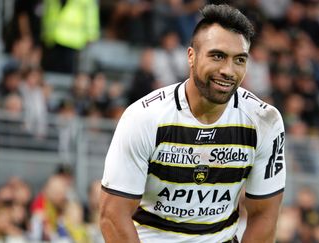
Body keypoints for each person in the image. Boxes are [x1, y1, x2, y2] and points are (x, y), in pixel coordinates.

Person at [100, 4, 286, 243]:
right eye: (217, 56)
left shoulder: (265, 121)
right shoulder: (144, 117)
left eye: (239, 60)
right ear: (191, 56)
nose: (228, 70)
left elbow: (265, 215)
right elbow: (113, 215)